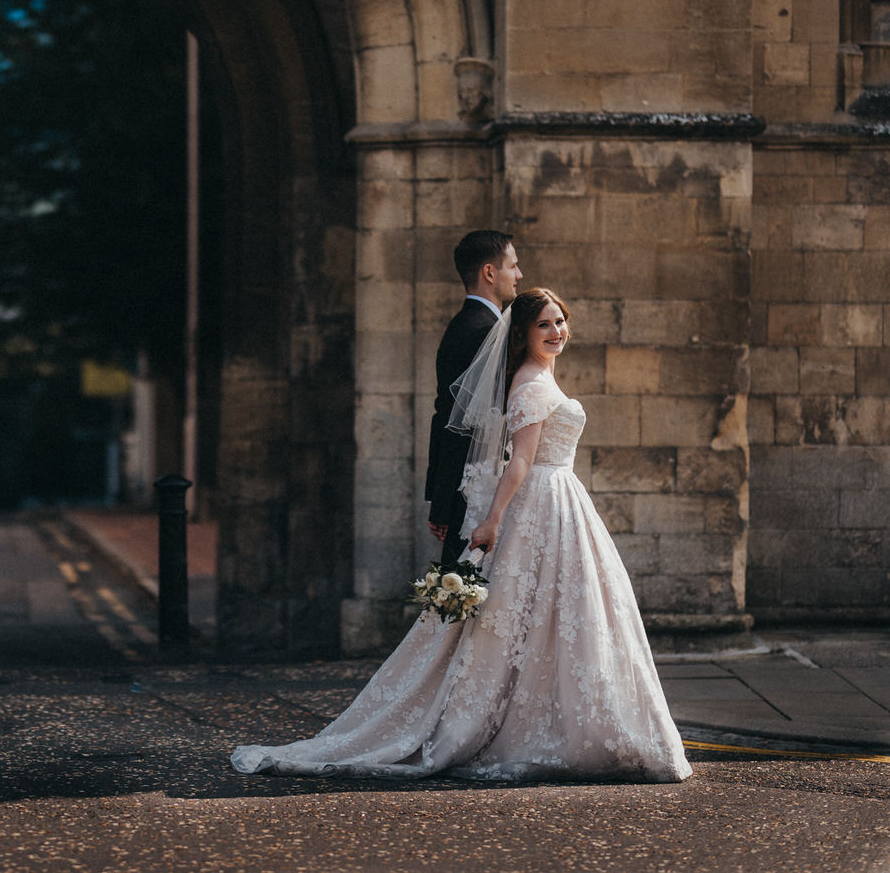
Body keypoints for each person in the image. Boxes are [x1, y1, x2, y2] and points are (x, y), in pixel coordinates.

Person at [230, 288, 691, 783]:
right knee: (531, 613)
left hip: (560, 501)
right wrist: (491, 520)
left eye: (560, 322)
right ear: (522, 334)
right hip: (541, 498)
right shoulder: (531, 384)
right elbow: (521, 462)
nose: (556, 331)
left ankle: (560, 720)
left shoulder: (539, 377)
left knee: (556, 612)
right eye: (544, 325)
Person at [426, 230, 522, 570]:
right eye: (513, 266)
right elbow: (453, 420)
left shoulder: (479, 325)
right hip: (472, 491)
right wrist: (443, 502)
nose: (519, 275)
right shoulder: (476, 330)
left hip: (479, 484)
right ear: (490, 273)